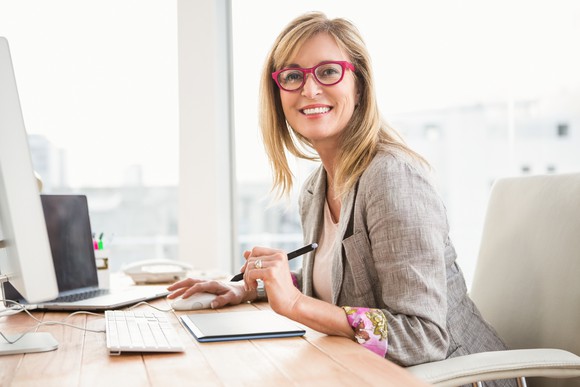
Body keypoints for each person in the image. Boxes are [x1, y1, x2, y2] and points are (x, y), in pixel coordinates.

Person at [168, 11, 514, 381]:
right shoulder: (316, 187)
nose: (309, 89)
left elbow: (424, 336)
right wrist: (253, 287)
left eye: (328, 71)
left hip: (459, 379)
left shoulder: (392, 178)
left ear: (359, 85)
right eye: (292, 76)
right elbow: (341, 284)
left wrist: (296, 304)